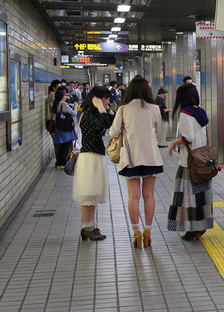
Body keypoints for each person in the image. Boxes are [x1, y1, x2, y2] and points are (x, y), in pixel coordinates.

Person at [109, 76, 164, 249]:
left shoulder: (123, 109)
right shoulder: (155, 108)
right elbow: (158, 132)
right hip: (151, 157)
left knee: (134, 196)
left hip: (131, 158)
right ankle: (148, 231)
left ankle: (136, 232)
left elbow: (113, 132)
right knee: (149, 195)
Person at [167, 84, 214, 240]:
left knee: (187, 197)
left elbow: (189, 138)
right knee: (201, 196)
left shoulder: (185, 114)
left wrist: (174, 143)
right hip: (203, 160)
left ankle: (192, 228)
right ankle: (201, 227)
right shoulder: (201, 112)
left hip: (190, 162)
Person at [73, 86, 114, 241]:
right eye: (106, 98)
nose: (108, 101)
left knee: (94, 193)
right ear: (97, 99)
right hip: (89, 157)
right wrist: (102, 109)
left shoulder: (95, 113)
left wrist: (107, 110)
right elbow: (102, 125)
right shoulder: (89, 114)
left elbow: (111, 124)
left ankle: (91, 225)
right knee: (88, 193)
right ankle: (86, 227)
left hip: (96, 156)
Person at [52, 87, 78, 169]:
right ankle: (64, 163)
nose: (66, 96)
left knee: (61, 147)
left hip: (59, 128)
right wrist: (76, 106)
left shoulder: (55, 104)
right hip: (66, 129)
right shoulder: (64, 105)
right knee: (66, 147)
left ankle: (59, 163)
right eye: (64, 95)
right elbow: (74, 113)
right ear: (62, 97)